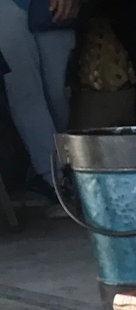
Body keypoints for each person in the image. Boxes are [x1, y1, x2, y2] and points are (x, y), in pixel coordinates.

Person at [0, 0, 78, 206]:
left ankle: (54, 175)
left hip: (48, 7)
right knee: (24, 91)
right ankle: (53, 179)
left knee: (57, 94)